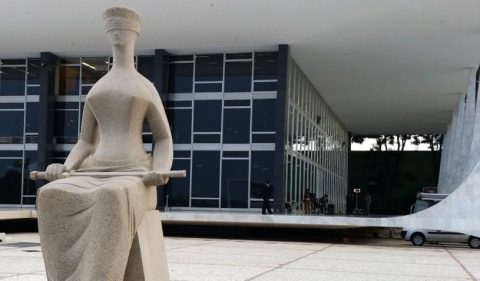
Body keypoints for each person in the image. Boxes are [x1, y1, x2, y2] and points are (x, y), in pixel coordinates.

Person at [36, 7, 172, 281]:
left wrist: (160, 171)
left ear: (134, 35)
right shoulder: (97, 89)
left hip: (135, 173)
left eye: (122, 30)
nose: (117, 35)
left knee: (112, 196)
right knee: (50, 195)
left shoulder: (145, 87)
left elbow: (164, 138)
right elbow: (86, 141)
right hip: (94, 170)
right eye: (112, 31)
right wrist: (65, 167)